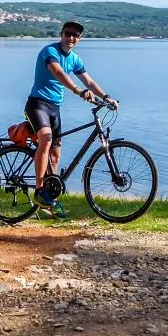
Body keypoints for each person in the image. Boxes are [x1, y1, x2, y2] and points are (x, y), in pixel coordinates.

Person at [24, 20, 118, 216]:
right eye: (68, 33)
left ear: (79, 39)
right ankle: (39, 191)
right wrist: (77, 90)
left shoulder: (75, 59)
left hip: (54, 108)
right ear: (61, 34)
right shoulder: (49, 52)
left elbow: (89, 80)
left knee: (56, 155)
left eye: (75, 35)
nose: (71, 38)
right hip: (37, 104)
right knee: (46, 139)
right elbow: (57, 72)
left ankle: (51, 199)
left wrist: (106, 97)